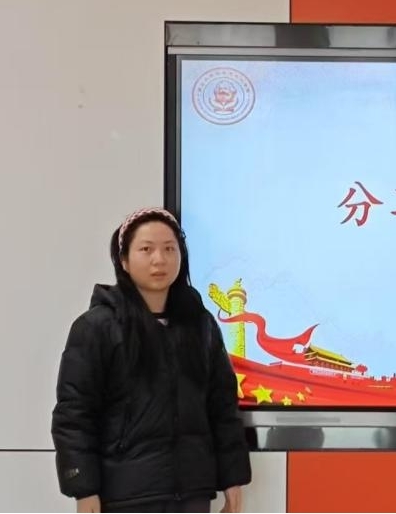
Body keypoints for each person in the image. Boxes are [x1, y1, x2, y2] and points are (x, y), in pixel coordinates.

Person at [51, 207, 251, 513]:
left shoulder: (200, 325)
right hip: (125, 496)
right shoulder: (96, 327)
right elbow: (75, 414)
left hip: (193, 494)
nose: (160, 259)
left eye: (170, 249)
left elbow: (221, 408)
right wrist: (84, 489)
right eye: (146, 249)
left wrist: (232, 478)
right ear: (124, 260)